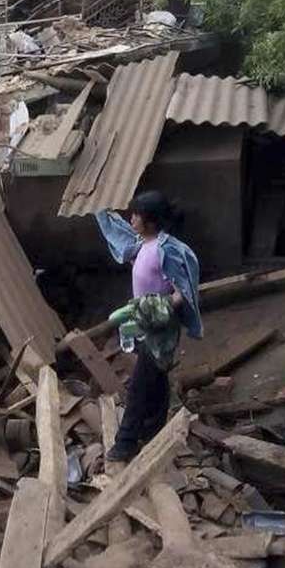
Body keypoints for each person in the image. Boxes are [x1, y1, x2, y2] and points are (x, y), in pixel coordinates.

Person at [96, 191, 202, 462]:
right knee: (155, 380)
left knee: (139, 386)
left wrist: (159, 306)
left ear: (151, 222)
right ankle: (154, 429)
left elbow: (182, 293)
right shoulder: (143, 244)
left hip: (160, 329)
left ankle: (125, 443)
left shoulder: (167, 252)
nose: (131, 219)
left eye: (136, 216)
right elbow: (125, 245)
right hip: (144, 324)